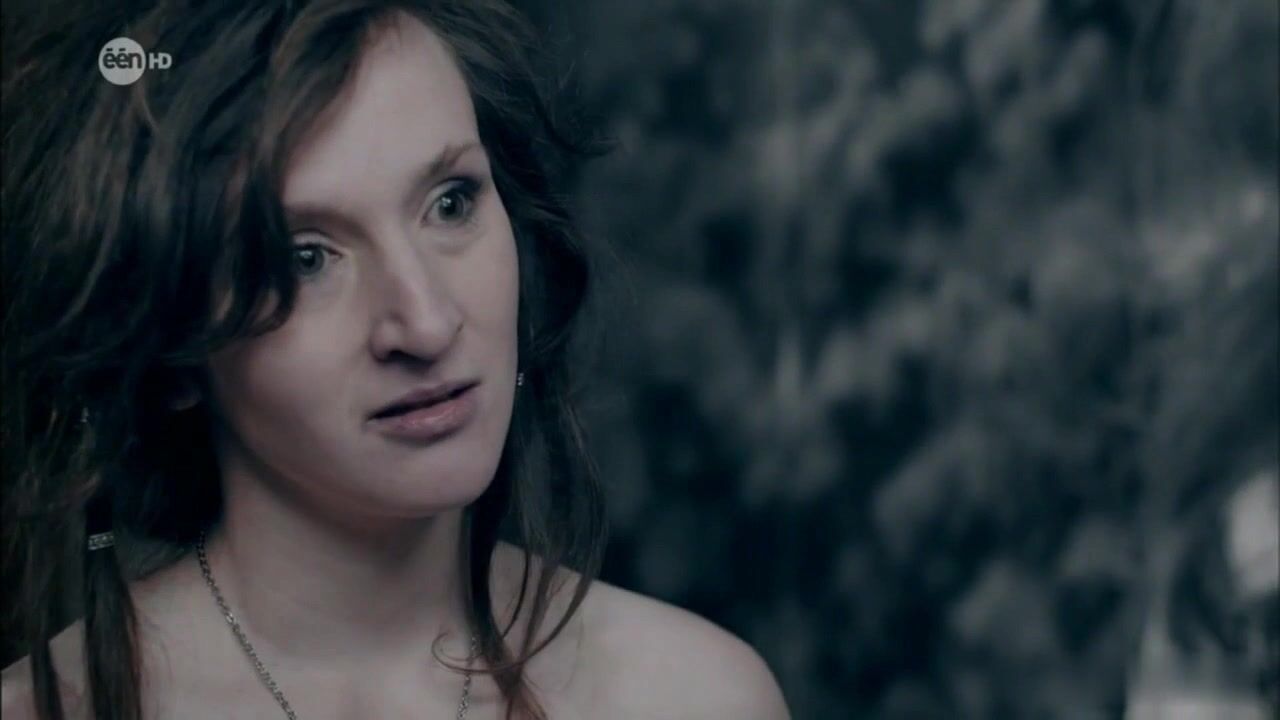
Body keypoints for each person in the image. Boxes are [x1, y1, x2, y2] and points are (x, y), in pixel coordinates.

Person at [0, 2, 791, 718]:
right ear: (168, 344)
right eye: (305, 258)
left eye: (451, 202)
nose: (427, 321)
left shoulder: (695, 697)